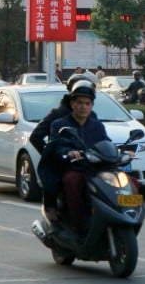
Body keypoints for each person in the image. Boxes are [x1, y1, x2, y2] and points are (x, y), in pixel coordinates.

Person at [38, 79, 110, 234]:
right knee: (72, 180)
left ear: (92, 105)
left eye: (87, 103)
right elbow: (56, 146)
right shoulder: (59, 124)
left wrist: (121, 152)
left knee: (127, 181)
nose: (83, 107)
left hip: (94, 168)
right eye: (80, 103)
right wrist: (68, 152)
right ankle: (80, 224)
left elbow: (106, 143)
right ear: (72, 104)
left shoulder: (97, 125)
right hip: (72, 167)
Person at [28, 73, 96, 153]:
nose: (84, 106)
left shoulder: (92, 116)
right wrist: (50, 155)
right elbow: (35, 137)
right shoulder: (58, 115)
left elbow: (101, 141)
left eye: (87, 102)